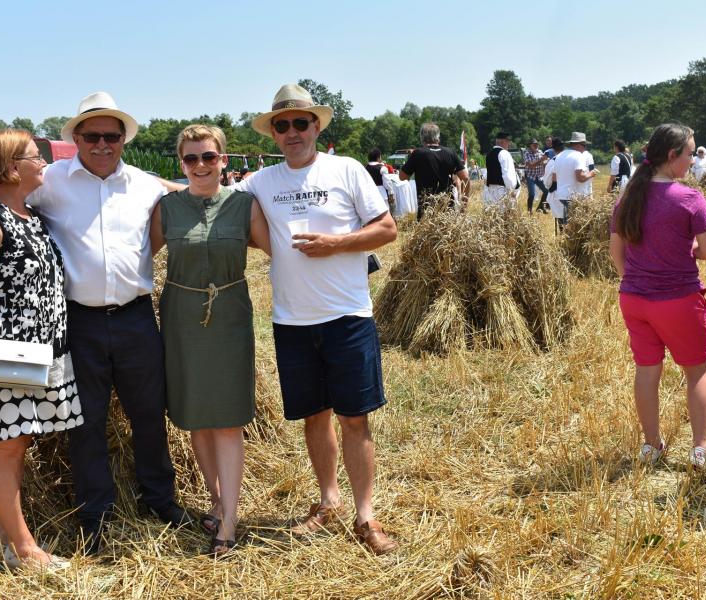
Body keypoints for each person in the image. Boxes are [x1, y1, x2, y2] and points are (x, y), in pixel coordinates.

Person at [27, 91, 192, 554]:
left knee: (149, 413)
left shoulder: (144, 184)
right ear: (77, 138)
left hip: (136, 317)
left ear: (123, 139)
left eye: (111, 136)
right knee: (86, 421)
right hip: (79, 321)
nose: (102, 144)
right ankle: (95, 514)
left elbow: (191, 193)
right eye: (92, 136)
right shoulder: (50, 181)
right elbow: (6, 201)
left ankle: (159, 499)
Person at [238, 83, 399, 555]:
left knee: (354, 417)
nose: (292, 132)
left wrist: (336, 244)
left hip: (346, 316)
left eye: (300, 123)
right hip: (292, 320)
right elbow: (206, 192)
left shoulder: (345, 169)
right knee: (314, 416)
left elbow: (387, 229)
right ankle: (328, 502)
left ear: (316, 127)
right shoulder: (261, 182)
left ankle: (366, 516)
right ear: (273, 133)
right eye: (282, 125)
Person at [149, 124, 270, 556]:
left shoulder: (245, 206)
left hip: (230, 318)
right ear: (181, 163)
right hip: (181, 318)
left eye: (208, 156)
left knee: (227, 418)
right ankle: (216, 501)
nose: (200, 165)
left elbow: (281, 250)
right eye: (191, 158)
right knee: (195, 416)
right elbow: (136, 257)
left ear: (223, 159)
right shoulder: (166, 208)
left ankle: (230, 522)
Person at [0, 129, 77, 570]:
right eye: (35, 156)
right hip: (2, 355)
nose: (44, 162)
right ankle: (27, 552)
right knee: (6, 447)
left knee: (16, 443)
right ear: (12, 166)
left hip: (37, 353)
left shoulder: (30, 214)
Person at [610, 123, 706, 469]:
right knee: (697, 372)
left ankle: (651, 445)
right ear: (672, 155)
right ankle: (699, 450)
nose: (692, 159)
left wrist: (636, 280)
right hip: (679, 300)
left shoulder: (628, 197)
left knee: (646, 371)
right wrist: (692, 250)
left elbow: (616, 252)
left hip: (634, 300)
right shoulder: (689, 198)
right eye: (689, 153)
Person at [399, 122, 468, 219]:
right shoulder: (450, 152)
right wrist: (464, 204)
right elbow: (466, 178)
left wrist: (411, 159)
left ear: (422, 138)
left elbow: (402, 177)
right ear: (438, 137)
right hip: (447, 209)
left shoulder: (418, 154)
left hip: (426, 209)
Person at [553, 132, 597, 228]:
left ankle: (565, 236)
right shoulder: (578, 156)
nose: (585, 148)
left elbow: (554, 177)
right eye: (584, 145)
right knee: (576, 227)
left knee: (568, 223)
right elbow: (580, 177)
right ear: (578, 144)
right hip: (574, 197)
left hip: (562, 195)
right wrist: (591, 174)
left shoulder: (559, 156)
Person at [483, 132, 519, 207]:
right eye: (508, 142)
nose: (509, 144)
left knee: (493, 212)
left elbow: (487, 174)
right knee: (504, 213)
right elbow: (507, 175)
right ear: (504, 141)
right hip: (502, 191)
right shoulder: (505, 153)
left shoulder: (489, 154)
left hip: (490, 190)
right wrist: (512, 191)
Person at [542, 137, 566, 232]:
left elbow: (547, 182)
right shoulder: (571, 159)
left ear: (553, 149)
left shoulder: (553, 161)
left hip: (558, 192)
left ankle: (562, 233)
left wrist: (550, 187)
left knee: (561, 216)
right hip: (574, 192)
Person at [523, 138, 549, 213]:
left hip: (539, 176)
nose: (536, 145)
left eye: (537, 144)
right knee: (532, 194)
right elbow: (531, 165)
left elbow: (543, 162)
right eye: (534, 144)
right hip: (530, 177)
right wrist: (542, 159)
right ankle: (529, 211)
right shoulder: (527, 154)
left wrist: (546, 162)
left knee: (546, 191)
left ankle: (540, 207)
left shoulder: (540, 152)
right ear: (530, 146)